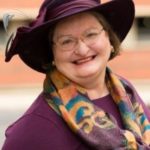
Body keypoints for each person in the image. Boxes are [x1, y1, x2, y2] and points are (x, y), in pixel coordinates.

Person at [2, 0, 150, 149]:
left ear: (109, 38)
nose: (82, 49)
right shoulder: (33, 131)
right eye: (66, 41)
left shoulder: (127, 93)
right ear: (52, 54)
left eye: (91, 34)